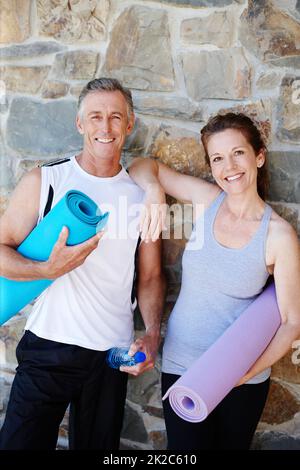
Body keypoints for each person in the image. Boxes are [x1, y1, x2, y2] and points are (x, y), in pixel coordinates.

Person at [0, 78, 165, 450]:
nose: (105, 127)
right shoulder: (47, 182)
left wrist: (152, 334)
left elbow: (152, 276)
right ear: (80, 124)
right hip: (48, 345)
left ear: (129, 123)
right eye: (95, 117)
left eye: (114, 117)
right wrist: (44, 270)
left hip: (110, 356)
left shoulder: (142, 196)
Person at [128, 112, 300, 450]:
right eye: (218, 158)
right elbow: (142, 166)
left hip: (240, 379)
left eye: (238, 153)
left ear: (259, 157)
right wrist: (154, 190)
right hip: (180, 367)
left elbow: (292, 322)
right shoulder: (209, 201)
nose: (229, 166)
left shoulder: (279, 236)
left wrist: (243, 374)